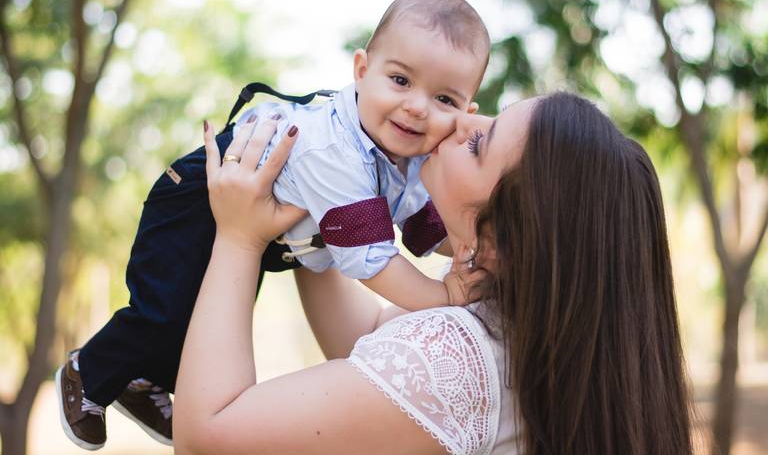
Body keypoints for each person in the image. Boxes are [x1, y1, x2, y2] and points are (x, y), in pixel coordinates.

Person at [55, 0, 490, 450]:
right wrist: (442, 295)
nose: (418, 107)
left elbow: (424, 226)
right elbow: (371, 260)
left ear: (467, 114)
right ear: (362, 71)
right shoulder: (334, 151)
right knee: (165, 310)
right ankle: (87, 371)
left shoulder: (409, 156)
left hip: (264, 228)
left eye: (444, 98)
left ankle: (141, 384)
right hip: (201, 197)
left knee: (199, 320)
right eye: (400, 80)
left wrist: (481, 246)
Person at [173, 92, 694, 454]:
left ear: (497, 244)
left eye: (479, 144)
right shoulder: (508, 335)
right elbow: (363, 337)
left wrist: (239, 238)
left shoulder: (457, 357)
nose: (463, 120)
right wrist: (326, 188)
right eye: (489, 117)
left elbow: (205, 437)